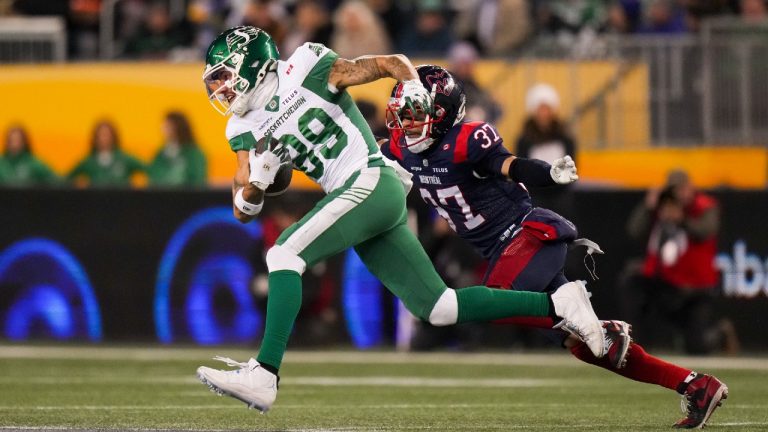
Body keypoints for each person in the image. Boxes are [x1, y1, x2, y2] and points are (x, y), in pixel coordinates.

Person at [195, 26, 605, 413]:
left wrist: (412, 89)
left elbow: (391, 63)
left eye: (225, 75)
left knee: (284, 254)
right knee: (439, 307)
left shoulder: (306, 65)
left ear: (252, 63)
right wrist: (257, 184)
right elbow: (242, 209)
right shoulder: (242, 126)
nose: (222, 87)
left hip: (371, 177)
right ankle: (561, 303)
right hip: (357, 196)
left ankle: (265, 373)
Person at [380, 65, 728, 429]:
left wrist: (547, 174)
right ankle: (695, 385)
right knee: (591, 347)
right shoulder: (400, 148)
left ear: (443, 113)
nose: (407, 122)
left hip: (527, 236)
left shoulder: (467, 139)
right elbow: (369, 154)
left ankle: (576, 311)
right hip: (505, 251)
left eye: (416, 113)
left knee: (493, 302)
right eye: (403, 112)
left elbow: (510, 165)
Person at [623, 170, 737, 355]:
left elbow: (706, 230)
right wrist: (648, 207)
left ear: (691, 188)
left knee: (696, 347)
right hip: (665, 284)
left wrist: (681, 219)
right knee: (631, 281)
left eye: (684, 189)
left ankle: (720, 334)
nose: (681, 195)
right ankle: (635, 345)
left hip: (694, 289)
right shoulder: (661, 206)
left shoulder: (704, 206)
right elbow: (635, 231)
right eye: (676, 191)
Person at [515, 83, 577, 218]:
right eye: (540, 109)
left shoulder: (565, 138)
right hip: (535, 197)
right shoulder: (525, 140)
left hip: (560, 197)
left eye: (547, 108)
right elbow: (521, 170)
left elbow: (572, 167)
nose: (544, 113)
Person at [67, 120, 145, 187]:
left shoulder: (125, 159)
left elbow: (148, 171)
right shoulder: (89, 162)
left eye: (107, 135)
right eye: (100, 135)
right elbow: (66, 179)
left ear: (113, 137)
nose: (104, 139)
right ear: (95, 138)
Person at [147, 111, 208, 187]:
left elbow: (198, 180)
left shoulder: (194, 154)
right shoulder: (161, 153)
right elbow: (153, 176)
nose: (163, 128)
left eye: (168, 125)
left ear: (178, 127)